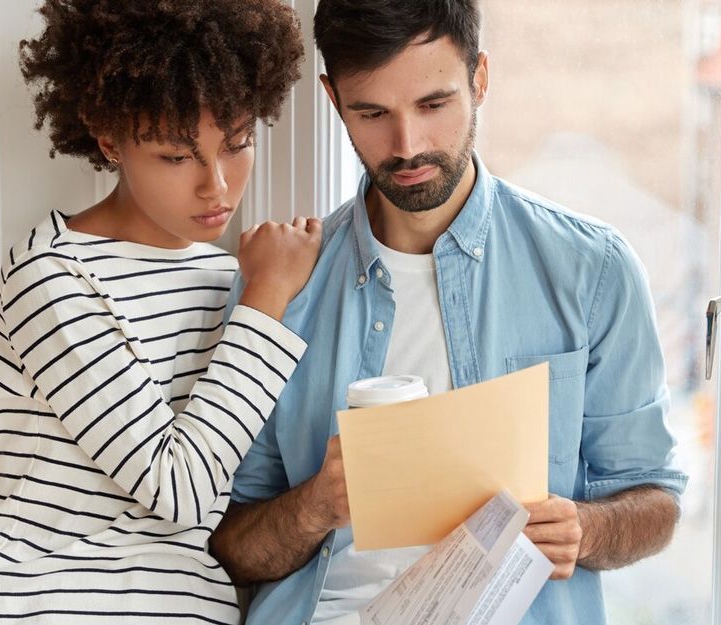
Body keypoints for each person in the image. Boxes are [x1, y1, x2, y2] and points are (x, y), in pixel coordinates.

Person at [208, 1, 688, 623]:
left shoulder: (589, 270)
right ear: (333, 100)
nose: (407, 146)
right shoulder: (283, 286)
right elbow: (228, 547)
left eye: (433, 105)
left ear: (479, 79)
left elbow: (656, 500)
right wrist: (313, 508)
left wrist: (585, 530)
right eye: (372, 113)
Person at [0, 1, 319, 623]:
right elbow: (179, 488)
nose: (216, 185)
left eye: (238, 143)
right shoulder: (53, 277)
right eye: (175, 155)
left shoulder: (235, 283)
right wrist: (267, 297)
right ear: (109, 137)